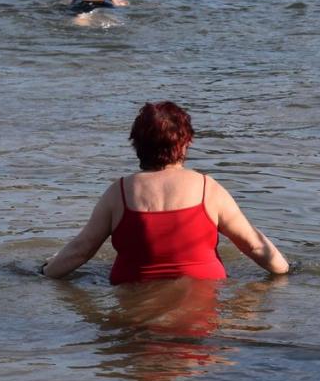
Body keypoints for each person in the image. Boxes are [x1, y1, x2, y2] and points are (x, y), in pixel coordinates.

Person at [40, 101, 289, 283]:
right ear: (186, 142)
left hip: (133, 308)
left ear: (136, 144)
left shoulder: (119, 192)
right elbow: (254, 246)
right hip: (202, 310)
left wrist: (43, 272)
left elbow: (81, 250)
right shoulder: (208, 189)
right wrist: (286, 271)